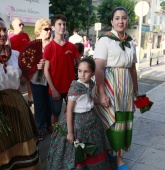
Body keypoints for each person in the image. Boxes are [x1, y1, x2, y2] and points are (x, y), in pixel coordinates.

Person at [93, 6, 138, 170]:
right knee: (112, 122)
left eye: (124, 18)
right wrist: (101, 92)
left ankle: (117, 156)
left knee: (124, 122)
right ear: (112, 21)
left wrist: (137, 92)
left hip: (126, 89)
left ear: (127, 20)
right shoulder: (105, 40)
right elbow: (98, 68)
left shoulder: (131, 42)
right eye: (117, 18)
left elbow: (133, 69)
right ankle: (114, 156)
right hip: (110, 86)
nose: (121, 21)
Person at [47, 57, 111, 169]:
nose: (82, 74)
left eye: (86, 71)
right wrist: (70, 132)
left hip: (91, 120)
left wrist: (100, 102)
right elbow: (69, 110)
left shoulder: (90, 83)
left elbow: (89, 98)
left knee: (92, 147)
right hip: (77, 122)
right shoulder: (75, 88)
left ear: (92, 73)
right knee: (76, 151)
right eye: (79, 71)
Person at [0, 18, 41, 170]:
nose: (3, 33)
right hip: (1, 111)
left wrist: (33, 68)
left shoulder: (15, 55)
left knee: (23, 142)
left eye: (4, 29)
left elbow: (22, 80)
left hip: (17, 106)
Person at [43, 14, 80, 125]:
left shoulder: (72, 47)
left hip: (71, 88)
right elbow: (46, 70)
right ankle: (55, 137)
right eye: (59, 24)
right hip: (56, 88)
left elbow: (81, 65)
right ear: (53, 27)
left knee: (72, 112)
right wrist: (53, 89)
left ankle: (71, 134)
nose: (62, 26)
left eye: (64, 24)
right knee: (56, 113)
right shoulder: (49, 48)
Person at [30, 18, 53, 141]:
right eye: (46, 29)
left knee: (48, 102)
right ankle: (39, 128)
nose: (49, 31)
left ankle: (49, 124)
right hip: (36, 79)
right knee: (39, 104)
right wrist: (36, 66)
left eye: (50, 29)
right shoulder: (33, 45)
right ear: (39, 30)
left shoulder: (52, 45)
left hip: (49, 79)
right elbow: (27, 64)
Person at [9, 17, 33, 107]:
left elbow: (30, 47)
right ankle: (20, 100)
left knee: (28, 80)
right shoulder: (10, 37)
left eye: (22, 24)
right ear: (14, 25)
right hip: (15, 63)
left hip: (25, 62)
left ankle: (30, 99)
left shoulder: (25, 35)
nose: (22, 26)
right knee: (17, 81)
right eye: (19, 24)